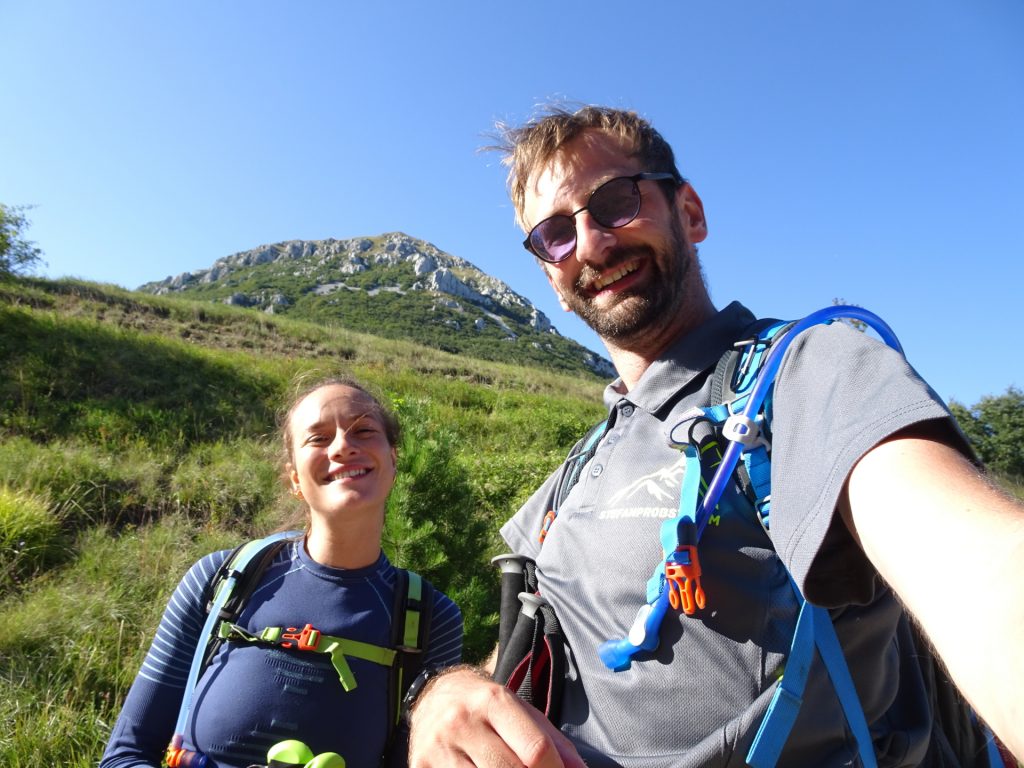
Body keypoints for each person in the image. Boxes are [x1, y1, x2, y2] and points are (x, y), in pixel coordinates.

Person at [405, 105, 1024, 767]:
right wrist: (449, 690)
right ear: (551, 279)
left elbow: (972, 564)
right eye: (556, 233)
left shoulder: (807, 371)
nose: (590, 244)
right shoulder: (581, 464)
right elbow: (533, 643)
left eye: (615, 201)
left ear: (690, 213)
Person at [101, 376, 463, 768]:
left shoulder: (431, 618)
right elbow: (126, 754)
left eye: (364, 430)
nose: (343, 446)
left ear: (393, 459)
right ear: (294, 478)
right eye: (318, 439)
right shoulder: (220, 580)